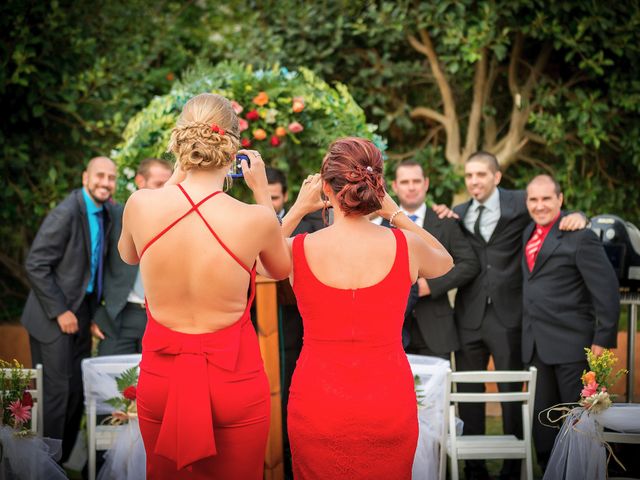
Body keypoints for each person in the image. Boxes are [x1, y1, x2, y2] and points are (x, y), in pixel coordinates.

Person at [118, 93, 291, 479]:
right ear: (233, 149)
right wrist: (262, 192)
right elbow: (279, 270)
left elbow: (129, 255)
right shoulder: (256, 218)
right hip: (234, 381)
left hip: (162, 378)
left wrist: (181, 171)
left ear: (180, 142)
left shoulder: (141, 205)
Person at [280, 137, 454, 479]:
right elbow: (445, 261)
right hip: (387, 402)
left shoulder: (297, 249)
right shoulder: (406, 245)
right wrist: (396, 214)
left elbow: (257, 262)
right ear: (377, 187)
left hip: (318, 402)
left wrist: (298, 209)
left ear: (327, 188)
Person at [452, 151, 587, 480]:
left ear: (496, 177)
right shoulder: (457, 212)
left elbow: (547, 214)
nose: (474, 182)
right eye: (469, 176)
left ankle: (513, 467)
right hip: (468, 315)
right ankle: (474, 468)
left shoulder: (519, 203)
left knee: (512, 389)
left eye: (481, 175)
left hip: (508, 314)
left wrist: (578, 216)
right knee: (469, 393)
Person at [21, 157, 116, 462]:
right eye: (100, 176)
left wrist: (89, 313)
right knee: (57, 393)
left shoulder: (106, 212)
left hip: (82, 311)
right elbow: (35, 264)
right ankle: (43, 464)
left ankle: (58, 461)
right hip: (53, 315)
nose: (105, 182)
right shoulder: (66, 213)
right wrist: (61, 310)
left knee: (76, 390)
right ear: (85, 176)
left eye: (111, 178)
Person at [522, 174, 619, 470]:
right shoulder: (527, 231)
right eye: (533, 199)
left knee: (578, 424)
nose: (540, 206)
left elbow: (608, 292)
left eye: (547, 199)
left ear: (560, 199)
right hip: (535, 345)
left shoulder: (580, 235)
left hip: (572, 347)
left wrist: (602, 341)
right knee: (543, 423)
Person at [265, 165, 325, 480]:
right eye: (268, 197)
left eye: (276, 198)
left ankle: (292, 462)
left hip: (297, 321)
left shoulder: (313, 223)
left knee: (292, 393)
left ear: (286, 196)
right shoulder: (252, 220)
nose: (272, 204)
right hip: (258, 320)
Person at [390, 159, 479, 360]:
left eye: (416, 181)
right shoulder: (383, 227)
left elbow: (469, 264)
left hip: (436, 329)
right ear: (395, 186)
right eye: (405, 182)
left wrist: (431, 285)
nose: (411, 187)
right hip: (393, 331)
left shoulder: (445, 221)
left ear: (426, 184)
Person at [92, 158, 172, 355]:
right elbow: (92, 264)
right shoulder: (114, 217)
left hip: (162, 319)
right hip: (120, 317)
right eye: (158, 184)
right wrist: (93, 315)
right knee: (111, 383)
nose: (164, 191)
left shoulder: (176, 222)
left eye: (168, 185)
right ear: (140, 181)